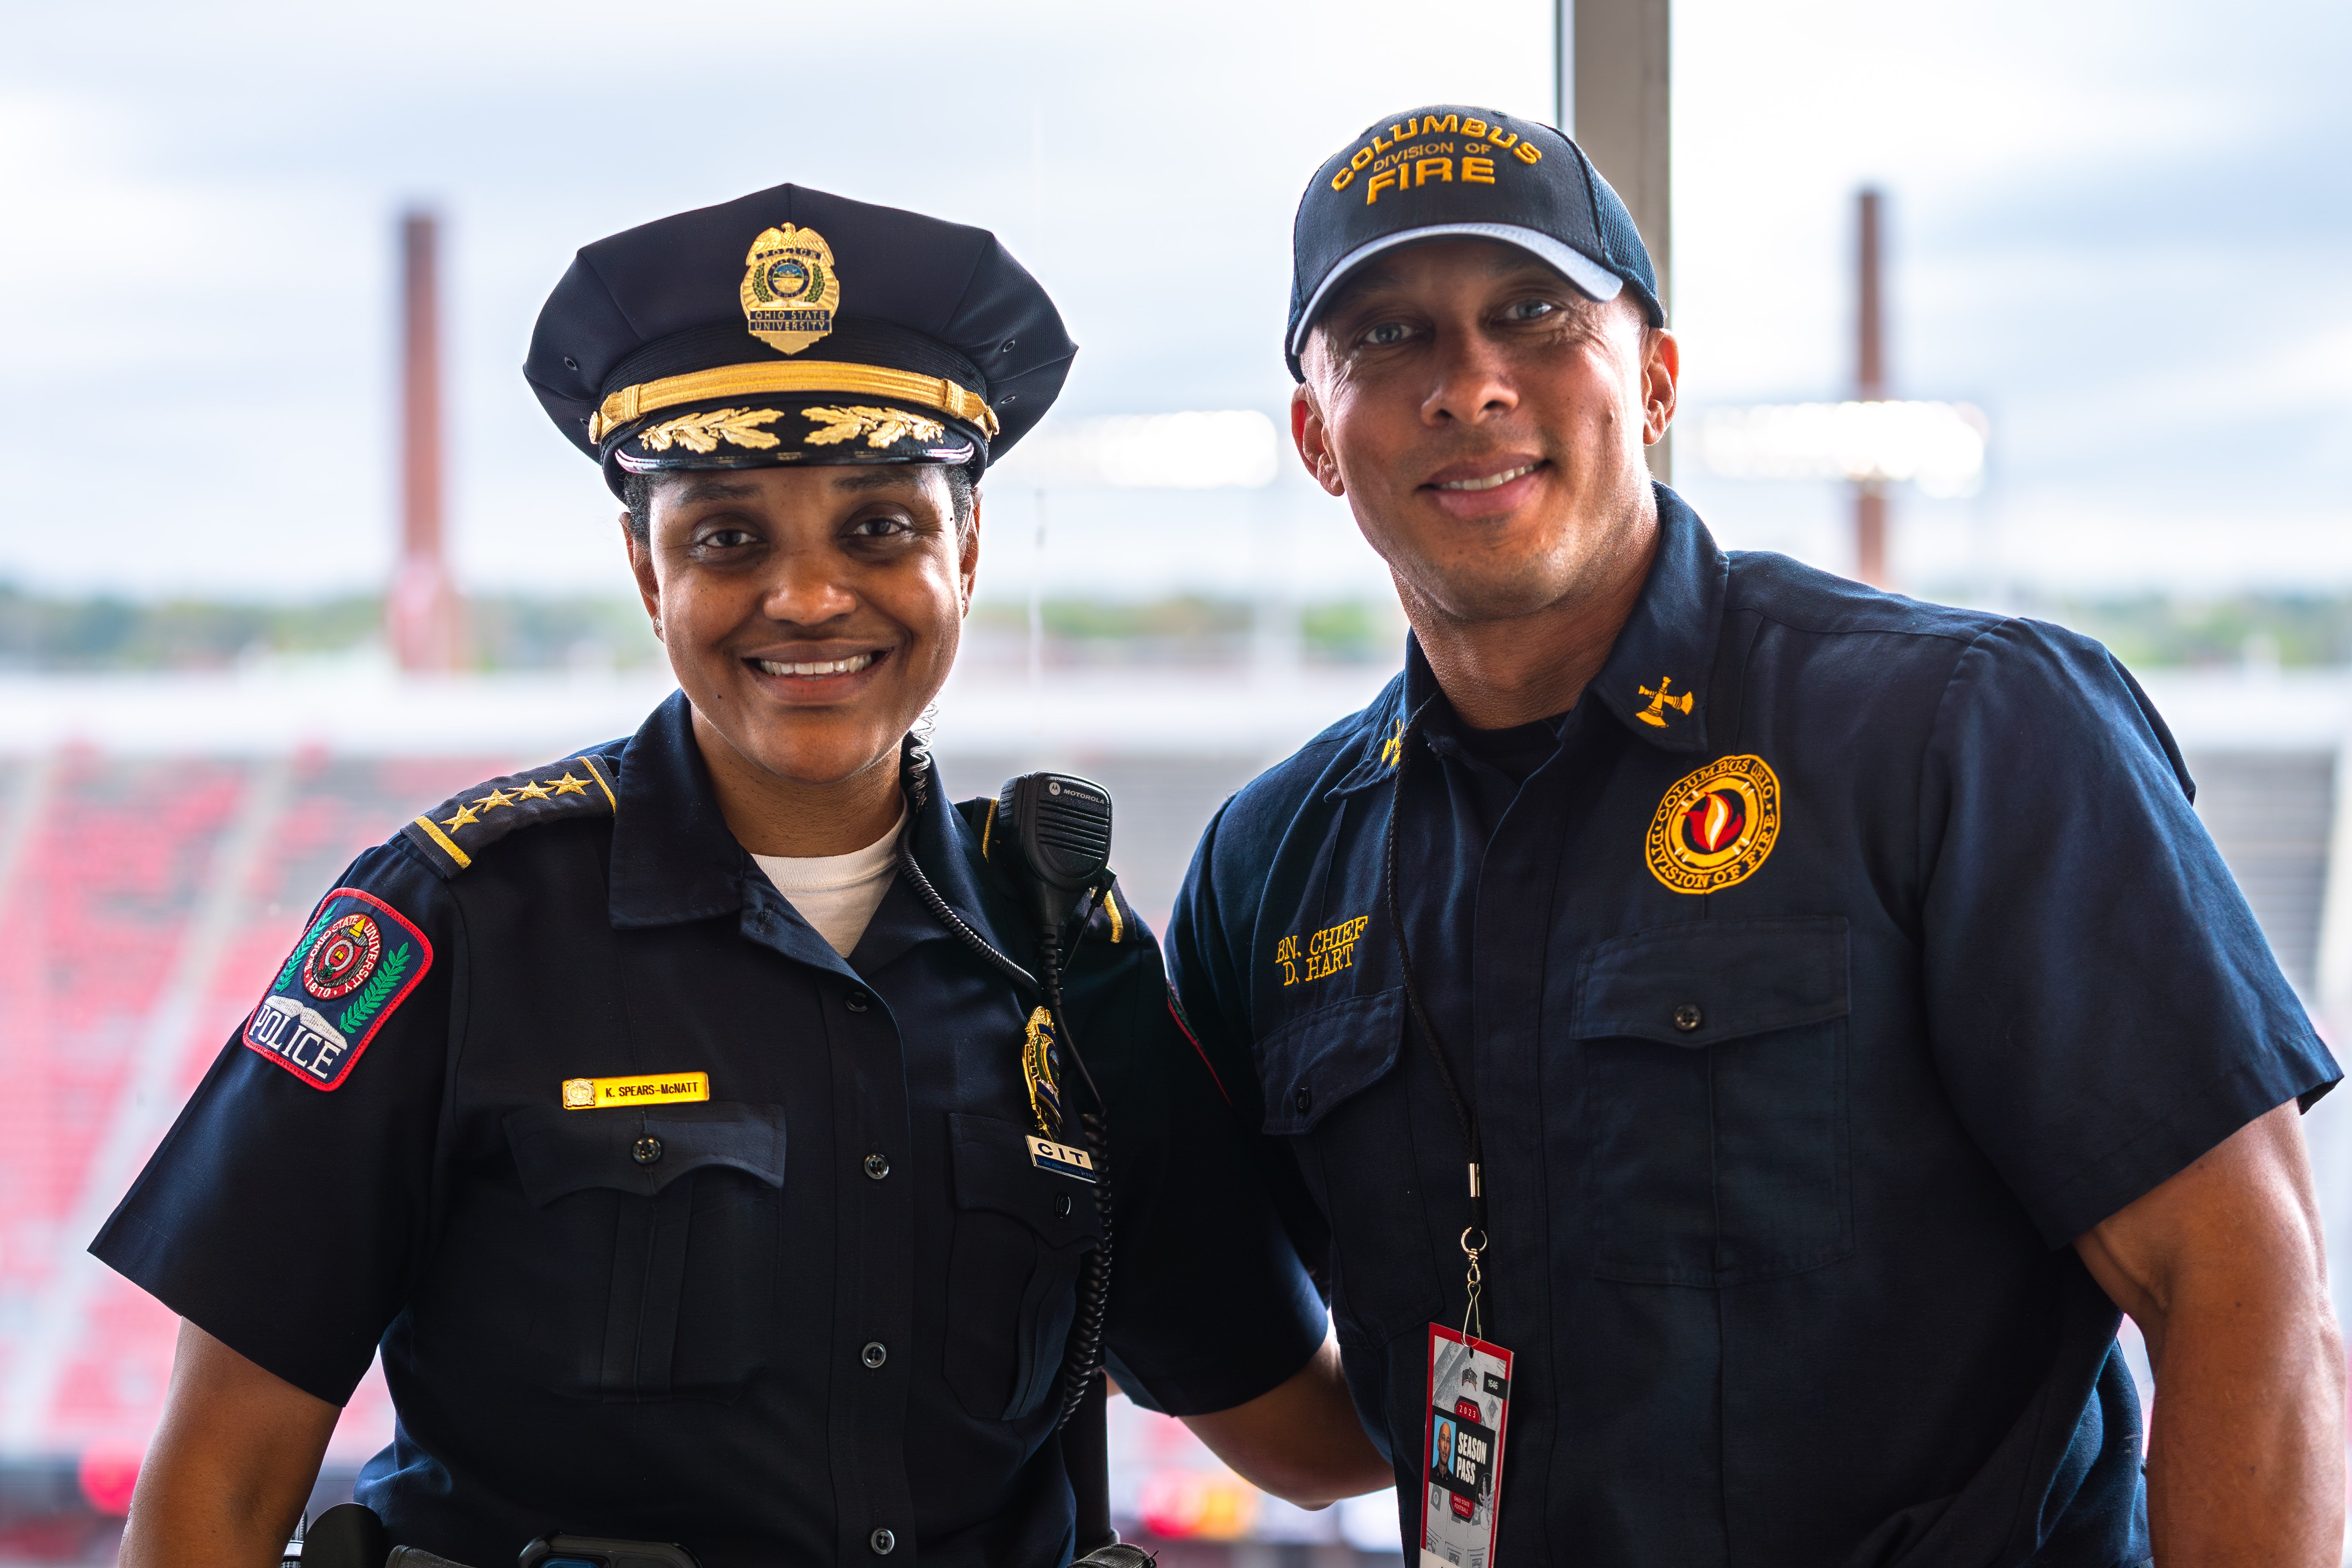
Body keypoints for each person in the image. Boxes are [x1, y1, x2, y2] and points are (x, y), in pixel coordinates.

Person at [96, 182, 1386, 1568]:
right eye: (727, 538)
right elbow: (214, 1499)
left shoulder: (1068, 954)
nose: (811, 595)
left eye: (880, 527)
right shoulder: (455, 922)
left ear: (967, 551)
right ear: (648, 575)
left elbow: (1307, 1442)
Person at [1166, 103, 2347, 1567]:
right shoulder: (1273, 865)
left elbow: (2241, 1289)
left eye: (1532, 314)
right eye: (1389, 339)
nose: (1467, 386)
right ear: (1315, 440)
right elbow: (1329, 1436)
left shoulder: (1960, 731)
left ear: (1651, 379)